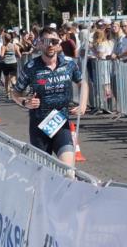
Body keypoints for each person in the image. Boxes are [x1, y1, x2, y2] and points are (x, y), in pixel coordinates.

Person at [10, 28, 88, 167]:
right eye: (46, 41)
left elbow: (83, 83)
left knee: (68, 170)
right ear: (39, 44)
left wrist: (82, 105)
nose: (50, 45)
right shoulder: (31, 67)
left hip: (61, 123)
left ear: (59, 44)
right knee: (42, 173)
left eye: (54, 41)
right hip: (39, 125)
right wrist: (25, 102)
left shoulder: (69, 63)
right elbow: (15, 93)